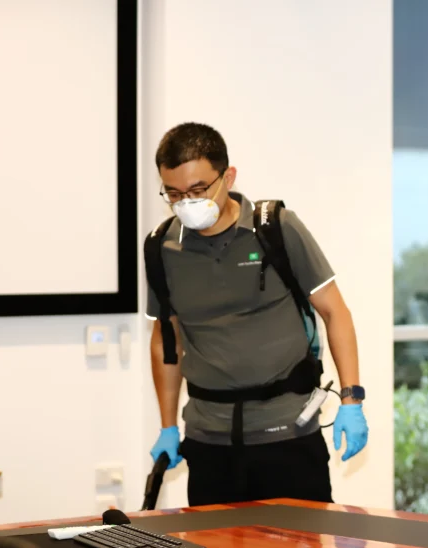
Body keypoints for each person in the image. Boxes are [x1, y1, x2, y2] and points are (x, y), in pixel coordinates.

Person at [145, 122, 368, 505]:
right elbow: (167, 339)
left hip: (289, 437)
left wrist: (352, 400)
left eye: (198, 190)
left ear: (227, 177)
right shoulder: (161, 248)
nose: (187, 203)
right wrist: (168, 426)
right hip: (208, 442)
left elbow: (336, 313)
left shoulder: (276, 228)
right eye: (174, 194)